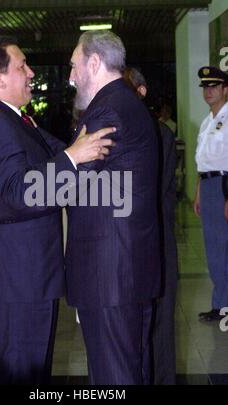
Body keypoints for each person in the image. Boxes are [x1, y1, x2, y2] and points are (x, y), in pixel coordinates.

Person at [0, 31, 160, 385]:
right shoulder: (3, 121)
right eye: (22, 65)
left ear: (93, 63)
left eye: (73, 66)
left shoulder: (109, 110)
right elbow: (67, 162)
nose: (69, 76)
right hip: (94, 275)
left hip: (111, 275)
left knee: (116, 376)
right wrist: (19, 187)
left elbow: (79, 179)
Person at [124, 67, 178, 385]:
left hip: (155, 241)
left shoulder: (160, 135)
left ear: (141, 93)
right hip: (127, 246)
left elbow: (152, 192)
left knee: (159, 326)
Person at [194, 66, 228, 322]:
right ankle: (220, 302)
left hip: (223, 186)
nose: (208, 91)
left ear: (225, 90)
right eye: (206, 86)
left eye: (214, 86)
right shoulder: (208, 121)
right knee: (214, 248)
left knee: (222, 248)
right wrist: (198, 193)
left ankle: (223, 305)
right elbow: (203, 162)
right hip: (208, 187)